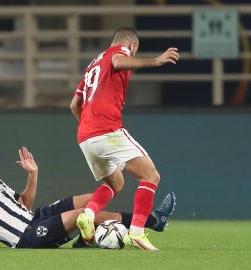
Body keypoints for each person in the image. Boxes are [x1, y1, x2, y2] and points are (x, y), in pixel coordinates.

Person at [0, 145, 175, 249]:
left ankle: (145, 222)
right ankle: (143, 223)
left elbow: (24, 205)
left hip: (35, 217)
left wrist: (32, 175)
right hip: (26, 236)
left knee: (87, 201)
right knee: (84, 216)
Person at [69, 27, 179, 251]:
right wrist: (156, 61)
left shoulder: (92, 65)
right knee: (150, 176)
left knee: (115, 182)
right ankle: (137, 232)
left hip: (85, 136)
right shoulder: (117, 54)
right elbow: (119, 62)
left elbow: (73, 105)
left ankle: (88, 214)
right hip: (106, 130)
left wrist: (89, 126)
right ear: (132, 46)